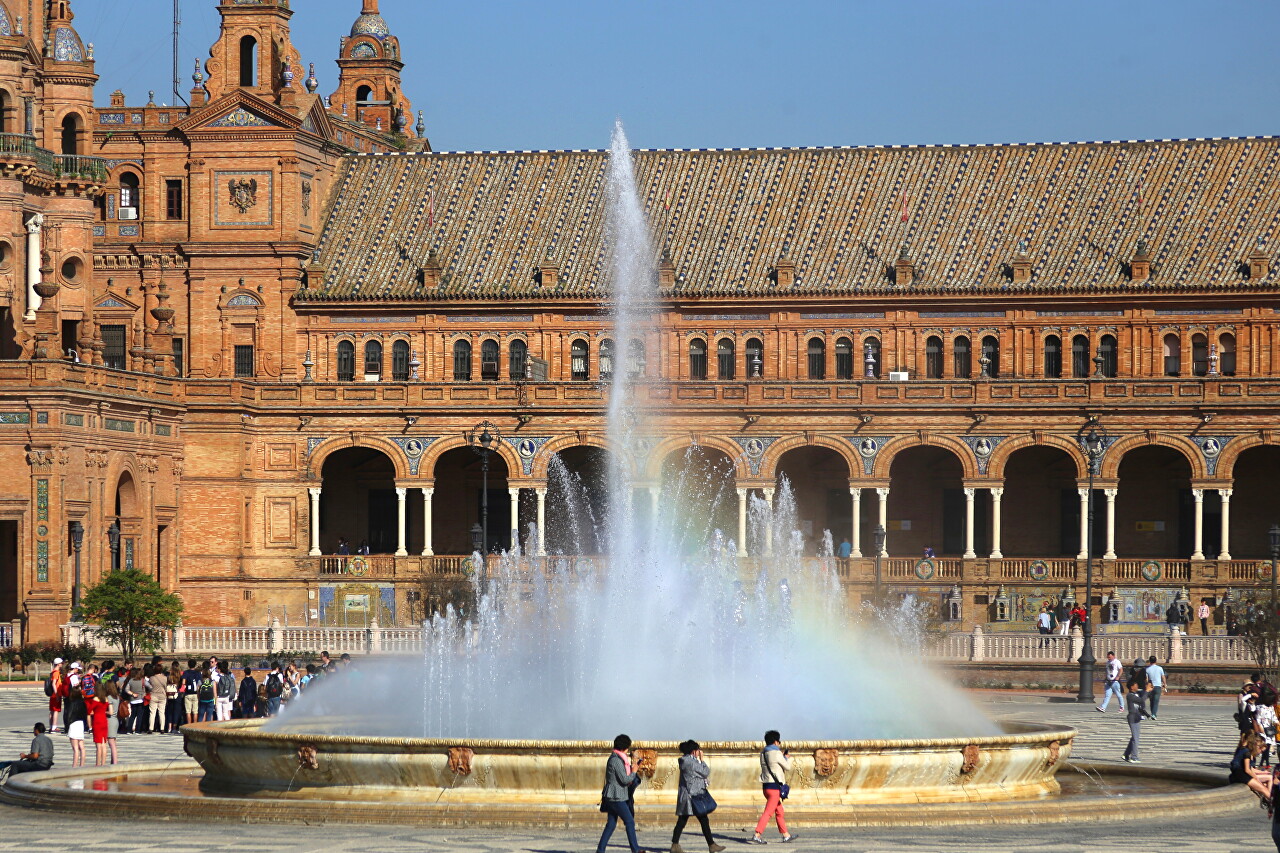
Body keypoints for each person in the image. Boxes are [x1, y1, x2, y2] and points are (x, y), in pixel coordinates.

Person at [672, 740, 724, 853]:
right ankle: (711, 845)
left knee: (685, 820)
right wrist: (702, 760)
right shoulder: (691, 762)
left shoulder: (685, 761)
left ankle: (675, 845)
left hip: (688, 796)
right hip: (692, 797)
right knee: (694, 820)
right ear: (693, 751)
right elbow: (705, 772)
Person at [595, 733, 644, 853]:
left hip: (613, 796)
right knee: (629, 821)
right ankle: (635, 850)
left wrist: (633, 769)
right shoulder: (616, 761)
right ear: (625, 747)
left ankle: (600, 850)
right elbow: (625, 779)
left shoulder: (616, 758)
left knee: (611, 824)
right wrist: (634, 771)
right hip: (616, 797)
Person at [751, 730, 796, 844]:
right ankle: (757, 834)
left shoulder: (763, 753)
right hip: (775, 788)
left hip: (766, 787)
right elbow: (788, 767)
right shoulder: (776, 753)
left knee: (779, 811)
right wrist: (786, 757)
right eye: (779, 741)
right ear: (776, 742)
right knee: (768, 812)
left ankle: (786, 835)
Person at [63, 682, 87, 767]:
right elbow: (85, 714)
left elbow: (69, 715)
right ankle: (82, 765)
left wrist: (67, 726)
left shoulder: (72, 703)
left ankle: (74, 766)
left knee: (75, 748)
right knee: (81, 746)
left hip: (73, 724)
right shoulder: (83, 702)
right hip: (80, 723)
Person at [1122, 680, 1145, 763]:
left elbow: (1142, 700)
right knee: (1136, 738)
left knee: (1134, 737)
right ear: (1132, 687)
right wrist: (1147, 691)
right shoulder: (1130, 696)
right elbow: (1141, 700)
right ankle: (1134, 757)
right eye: (1136, 685)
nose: (1137, 686)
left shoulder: (1136, 694)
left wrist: (1147, 691)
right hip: (1132, 718)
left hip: (1137, 717)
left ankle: (1126, 754)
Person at [148, 662, 169, 733]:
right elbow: (166, 687)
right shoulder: (165, 678)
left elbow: (150, 686)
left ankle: (151, 728)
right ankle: (162, 728)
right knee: (162, 712)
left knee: (152, 712)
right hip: (162, 695)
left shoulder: (151, 678)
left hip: (153, 695)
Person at [1145, 656, 1167, 720]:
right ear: (1156, 661)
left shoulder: (1147, 669)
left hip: (1150, 686)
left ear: (1149, 661)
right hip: (1158, 686)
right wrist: (1164, 684)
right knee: (1156, 701)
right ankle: (1154, 714)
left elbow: (1146, 679)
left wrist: (1147, 685)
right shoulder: (1160, 668)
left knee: (1151, 701)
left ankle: (1152, 713)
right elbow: (1163, 677)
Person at [180, 658, 201, 725]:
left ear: (188, 665)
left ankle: (189, 725)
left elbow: (183, 682)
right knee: (195, 711)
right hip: (196, 694)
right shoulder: (198, 673)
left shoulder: (186, 672)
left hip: (188, 693)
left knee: (188, 711)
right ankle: (194, 725)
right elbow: (200, 683)